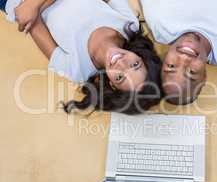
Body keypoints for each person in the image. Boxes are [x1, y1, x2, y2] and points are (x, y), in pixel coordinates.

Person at [1, 0, 163, 114]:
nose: (121, 63)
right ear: (142, 57)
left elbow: (30, 20)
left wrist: (32, 5)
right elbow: (32, 10)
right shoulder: (129, 25)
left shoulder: (77, 70)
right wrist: (35, 4)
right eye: (135, 65)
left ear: (112, 86)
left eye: (120, 77)